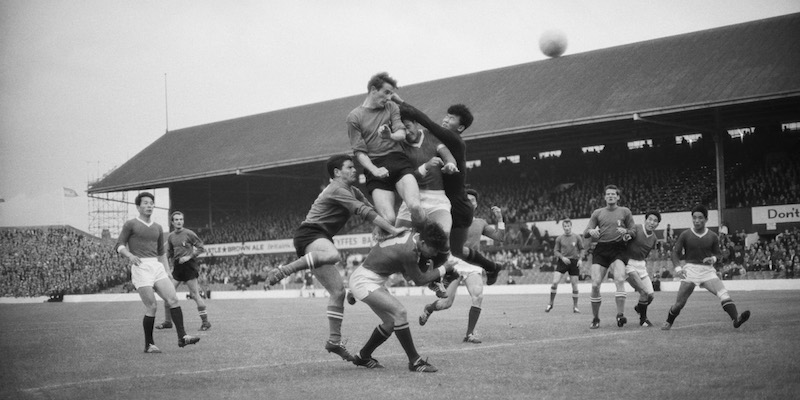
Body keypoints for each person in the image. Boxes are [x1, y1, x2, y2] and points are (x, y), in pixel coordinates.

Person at [265, 154, 407, 361]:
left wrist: (380, 228)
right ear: (337, 173)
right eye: (349, 167)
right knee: (332, 254)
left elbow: (368, 208)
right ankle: (283, 270)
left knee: (338, 292)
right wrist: (392, 230)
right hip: (311, 233)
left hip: (320, 236)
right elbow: (362, 210)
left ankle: (333, 341)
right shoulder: (337, 189)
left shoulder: (353, 191)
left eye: (354, 167)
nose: (354, 170)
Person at [392, 93, 501, 285]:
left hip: (457, 205)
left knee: (451, 248)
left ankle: (442, 272)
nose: (445, 119)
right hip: (445, 201)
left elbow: (427, 123)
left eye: (450, 118)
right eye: (446, 115)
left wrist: (401, 103)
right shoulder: (436, 140)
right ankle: (489, 267)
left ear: (459, 127)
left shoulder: (455, 141)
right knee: (453, 249)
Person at [349, 222, 455, 372]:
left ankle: (363, 356)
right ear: (423, 243)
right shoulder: (409, 251)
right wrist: (444, 268)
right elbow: (419, 280)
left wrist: (426, 269)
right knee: (400, 312)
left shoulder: (411, 236)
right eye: (434, 249)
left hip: (369, 276)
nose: (436, 254)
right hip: (365, 281)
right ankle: (415, 361)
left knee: (390, 322)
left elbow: (406, 273)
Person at [417, 189, 505, 344]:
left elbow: (500, 237)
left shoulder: (480, 223)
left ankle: (469, 334)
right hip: (454, 264)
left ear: (477, 204)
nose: (470, 202)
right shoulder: (451, 220)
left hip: (473, 265)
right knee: (445, 304)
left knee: (478, 296)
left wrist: (500, 219)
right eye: (467, 200)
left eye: (473, 200)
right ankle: (429, 308)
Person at [115, 192, 200, 353]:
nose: (149, 205)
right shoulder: (131, 224)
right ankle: (149, 344)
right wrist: (130, 255)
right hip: (141, 266)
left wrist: (167, 271)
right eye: (145, 203)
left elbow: (161, 252)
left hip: (157, 265)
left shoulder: (158, 227)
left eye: (151, 203)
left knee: (173, 299)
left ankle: (182, 337)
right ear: (138, 206)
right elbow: (119, 245)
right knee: (152, 306)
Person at [346, 72, 424, 228]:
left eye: (391, 93)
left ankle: (430, 240)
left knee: (415, 206)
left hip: (398, 161)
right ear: (374, 90)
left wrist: (390, 136)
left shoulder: (391, 107)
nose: (389, 97)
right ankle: (383, 243)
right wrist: (374, 170)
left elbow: (401, 134)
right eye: (386, 92)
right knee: (388, 220)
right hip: (375, 166)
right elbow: (359, 152)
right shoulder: (354, 117)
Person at [662, 205, 751, 330]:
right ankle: (668, 322)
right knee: (679, 304)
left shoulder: (712, 236)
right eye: (694, 218)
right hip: (690, 271)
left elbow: (719, 254)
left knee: (723, 294)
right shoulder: (685, 234)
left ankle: (736, 319)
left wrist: (713, 259)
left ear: (706, 219)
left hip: (707, 271)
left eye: (700, 218)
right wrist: (678, 269)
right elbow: (675, 253)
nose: (697, 221)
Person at [583, 185, 636, 329]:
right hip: (601, 249)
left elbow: (633, 230)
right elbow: (586, 232)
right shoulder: (598, 213)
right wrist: (592, 231)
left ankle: (620, 315)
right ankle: (595, 318)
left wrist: (627, 232)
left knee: (619, 278)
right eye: (608, 194)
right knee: (595, 284)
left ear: (618, 197)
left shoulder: (625, 211)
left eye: (613, 194)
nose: (611, 196)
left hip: (618, 248)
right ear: (605, 197)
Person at [155, 211, 211, 332]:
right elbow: (169, 253)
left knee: (195, 295)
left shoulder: (189, 233)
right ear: (172, 222)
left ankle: (206, 322)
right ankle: (168, 322)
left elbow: (201, 247)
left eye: (181, 219)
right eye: (176, 219)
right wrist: (166, 266)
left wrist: (189, 256)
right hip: (177, 268)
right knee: (168, 295)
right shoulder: (170, 236)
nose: (179, 221)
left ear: (183, 221)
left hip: (189, 266)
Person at [624, 211, 661, 327]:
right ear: (645, 220)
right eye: (650, 219)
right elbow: (629, 234)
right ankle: (643, 320)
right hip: (629, 264)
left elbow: (647, 254)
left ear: (658, 224)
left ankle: (639, 307)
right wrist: (626, 236)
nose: (652, 222)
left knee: (650, 296)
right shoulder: (637, 228)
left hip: (641, 265)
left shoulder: (654, 238)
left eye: (655, 221)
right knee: (643, 292)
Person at [545, 219, 585, 314]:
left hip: (574, 262)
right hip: (563, 261)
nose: (567, 228)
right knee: (555, 282)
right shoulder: (559, 238)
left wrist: (580, 260)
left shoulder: (577, 237)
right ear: (563, 227)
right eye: (565, 226)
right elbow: (556, 251)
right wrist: (562, 258)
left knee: (574, 285)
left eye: (568, 226)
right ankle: (550, 303)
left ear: (571, 226)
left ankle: (575, 307)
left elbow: (582, 249)